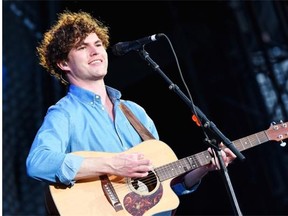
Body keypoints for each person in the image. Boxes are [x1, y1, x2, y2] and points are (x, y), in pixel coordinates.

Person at [26, 10, 236, 216]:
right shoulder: (64, 113)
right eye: (83, 47)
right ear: (63, 63)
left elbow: (164, 188)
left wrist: (203, 168)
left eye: (98, 44)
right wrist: (113, 165)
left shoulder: (134, 112)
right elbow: (38, 163)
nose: (95, 51)